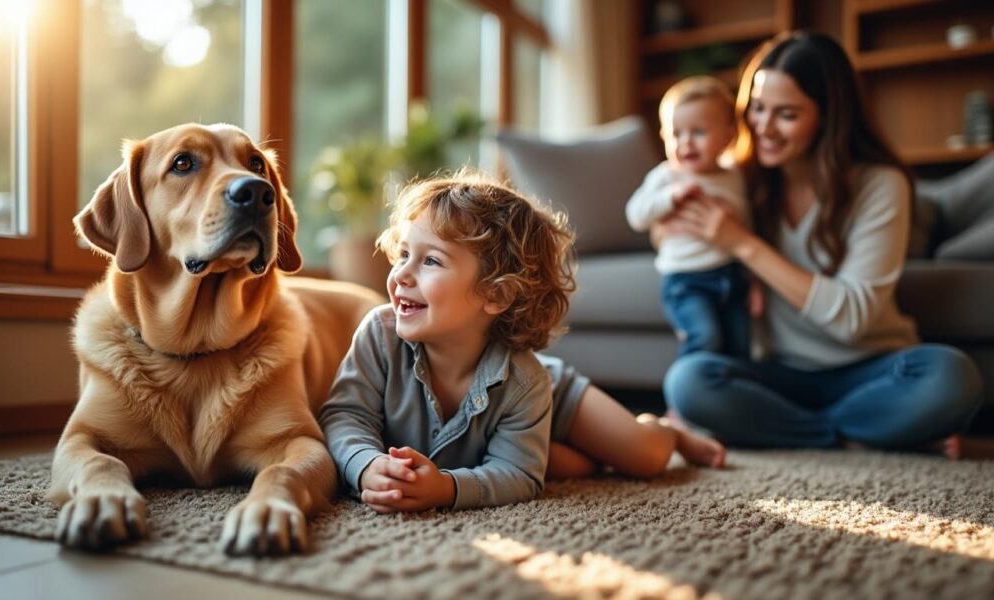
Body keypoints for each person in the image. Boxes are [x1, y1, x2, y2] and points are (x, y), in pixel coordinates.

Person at [319, 172, 725, 514]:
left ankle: (667, 430)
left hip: (549, 395)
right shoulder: (379, 333)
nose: (401, 274)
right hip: (514, 422)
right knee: (572, 466)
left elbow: (519, 477)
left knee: (644, 458)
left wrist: (446, 488)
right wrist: (366, 465)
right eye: (403, 253)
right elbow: (344, 417)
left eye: (430, 261)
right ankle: (541, 446)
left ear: (495, 295)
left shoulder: (526, 380)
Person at [657, 32, 982, 457]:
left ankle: (815, 430)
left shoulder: (879, 185)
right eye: (757, 108)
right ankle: (857, 434)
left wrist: (743, 243)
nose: (763, 127)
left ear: (829, 118)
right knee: (688, 381)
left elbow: (853, 318)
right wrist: (666, 230)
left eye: (787, 114)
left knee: (952, 377)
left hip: (869, 369)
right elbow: (669, 231)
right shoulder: (741, 180)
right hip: (778, 376)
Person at [626, 75, 752, 358]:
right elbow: (635, 215)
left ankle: (731, 397)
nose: (686, 143)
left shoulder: (734, 177)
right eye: (676, 134)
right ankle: (685, 399)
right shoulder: (666, 176)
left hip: (731, 275)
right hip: (686, 279)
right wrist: (670, 198)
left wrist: (753, 281)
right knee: (705, 338)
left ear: (728, 136)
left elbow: (748, 226)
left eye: (698, 132)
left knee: (741, 346)